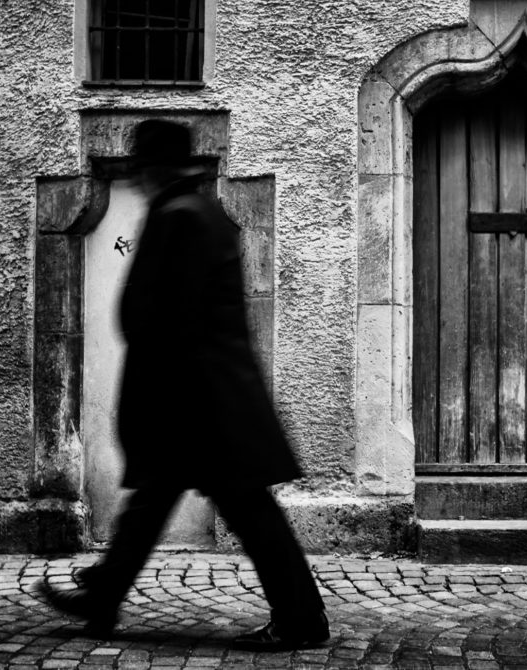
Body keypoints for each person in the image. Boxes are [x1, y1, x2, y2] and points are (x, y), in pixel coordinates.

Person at [37, 119, 329, 651]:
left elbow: (171, 316)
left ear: (158, 166)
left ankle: (303, 619)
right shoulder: (195, 211)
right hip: (203, 395)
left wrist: (160, 393)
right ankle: (104, 596)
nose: (142, 176)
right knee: (164, 499)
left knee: (248, 511)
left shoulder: (181, 217)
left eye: (145, 166)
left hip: (201, 399)